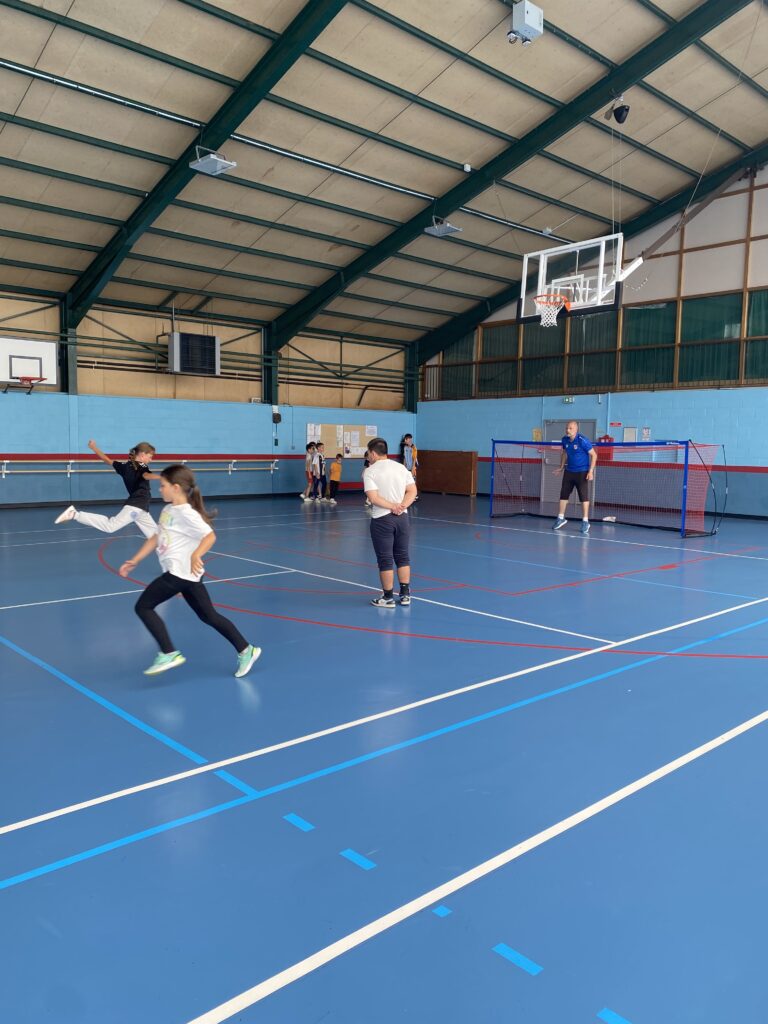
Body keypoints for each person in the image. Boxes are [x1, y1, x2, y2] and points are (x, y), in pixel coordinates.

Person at [119, 464, 260, 677]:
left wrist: (196, 555)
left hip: (179, 573)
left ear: (176, 488)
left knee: (144, 607)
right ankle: (246, 649)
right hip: (188, 576)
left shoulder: (187, 513)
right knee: (208, 616)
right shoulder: (168, 510)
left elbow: (210, 536)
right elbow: (156, 537)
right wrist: (135, 559)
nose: (159, 489)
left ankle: (168, 653)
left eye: (163, 485)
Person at [54, 439, 159, 537]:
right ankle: (75, 514)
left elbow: (107, 460)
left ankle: (168, 547)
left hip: (142, 507)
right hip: (137, 505)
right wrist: (161, 477)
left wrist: (94, 448)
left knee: (156, 536)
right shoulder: (141, 466)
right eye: (150, 456)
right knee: (110, 526)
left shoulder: (124, 466)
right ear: (142, 454)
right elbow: (146, 475)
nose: (151, 459)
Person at [363, 437, 417, 608]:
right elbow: (412, 491)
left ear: (373, 453)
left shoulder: (370, 472)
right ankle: (405, 595)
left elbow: (373, 498)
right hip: (402, 519)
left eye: (368, 453)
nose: (368, 457)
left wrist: (393, 506)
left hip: (382, 520)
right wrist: (401, 506)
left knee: (385, 559)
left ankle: (387, 597)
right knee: (402, 556)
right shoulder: (401, 468)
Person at [552, 420, 597, 534]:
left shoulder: (582, 440)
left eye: (570, 428)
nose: (568, 430)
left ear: (576, 429)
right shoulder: (564, 440)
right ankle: (560, 518)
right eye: (566, 428)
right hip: (569, 471)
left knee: (583, 497)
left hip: (582, 472)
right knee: (563, 494)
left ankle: (585, 521)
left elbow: (594, 455)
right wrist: (561, 467)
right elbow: (564, 453)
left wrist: (590, 471)